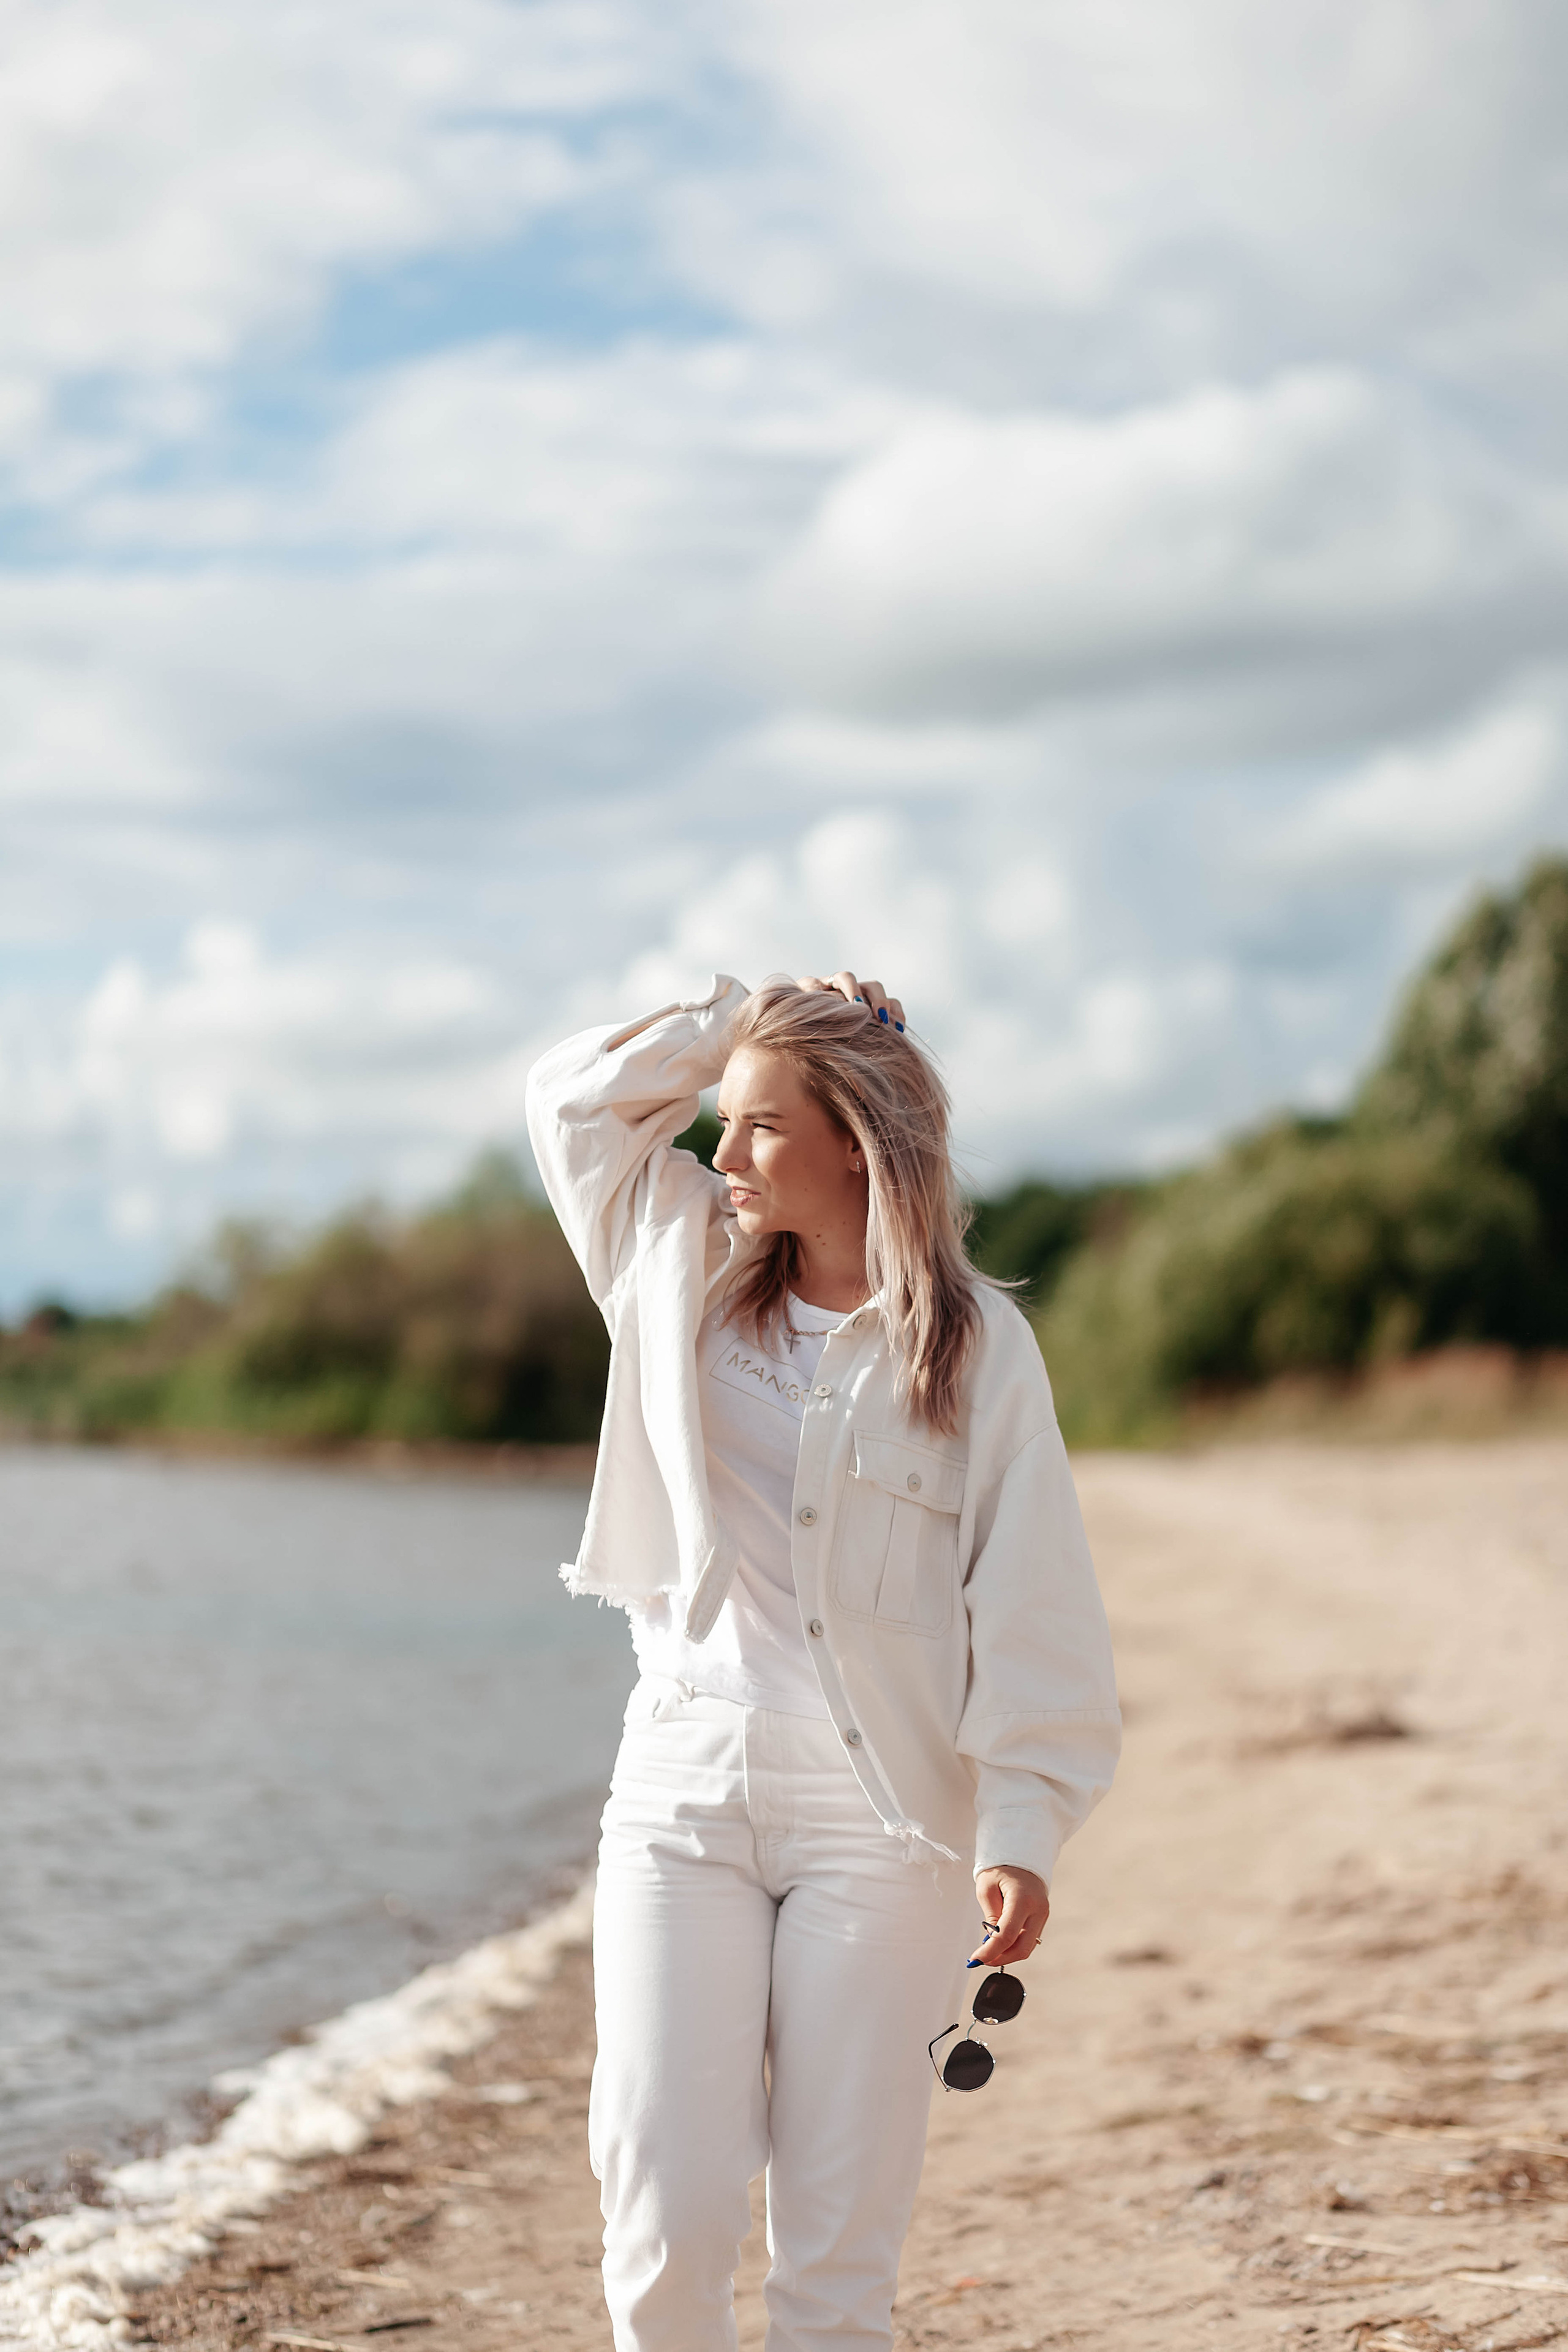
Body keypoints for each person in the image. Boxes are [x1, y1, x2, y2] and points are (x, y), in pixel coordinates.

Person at [526, 969, 1120, 2352]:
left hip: (884, 1823)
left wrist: (1022, 1825)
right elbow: (567, 1101)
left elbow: (1032, 1603)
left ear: (853, 1140)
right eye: (720, 1122)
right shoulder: (664, 1253)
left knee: (835, 2250)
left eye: (756, 1126)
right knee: (662, 2203)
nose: (718, 1154)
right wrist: (735, 1015)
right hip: (678, 1791)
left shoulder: (972, 1348)